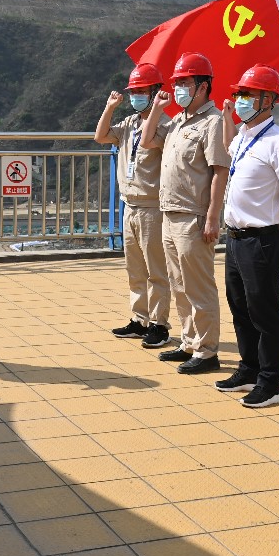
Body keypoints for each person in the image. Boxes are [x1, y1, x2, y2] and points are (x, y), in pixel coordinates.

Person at [215, 64, 279, 408]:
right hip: (236, 238)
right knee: (240, 306)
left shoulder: (278, 140)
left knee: (265, 311)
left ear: (268, 100)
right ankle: (248, 368)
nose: (241, 100)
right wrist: (226, 117)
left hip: (262, 238)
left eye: (247, 94)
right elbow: (228, 148)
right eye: (239, 94)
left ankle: (270, 382)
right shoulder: (243, 136)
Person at [157, 52, 232, 373]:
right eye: (177, 83)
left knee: (198, 286)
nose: (178, 89)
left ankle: (207, 350)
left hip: (194, 216)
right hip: (170, 213)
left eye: (185, 83)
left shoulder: (212, 122)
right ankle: (189, 341)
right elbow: (147, 141)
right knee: (178, 284)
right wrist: (157, 109)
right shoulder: (178, 121)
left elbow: (219, 171)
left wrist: (213, 217)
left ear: (203, 87)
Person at [95, 62, 175, 347]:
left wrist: (156, 110)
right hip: (129, 205)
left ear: (155, 92)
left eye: (142, 91)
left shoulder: (165, 125)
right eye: (134, 92)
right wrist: (110, 108)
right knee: (135, 269)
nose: (136, 96)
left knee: (156, 270)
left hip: (152, 207)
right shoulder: (129, 123)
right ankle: (140, 319)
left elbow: (151, 143)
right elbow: (101, 136)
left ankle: (159, 324)